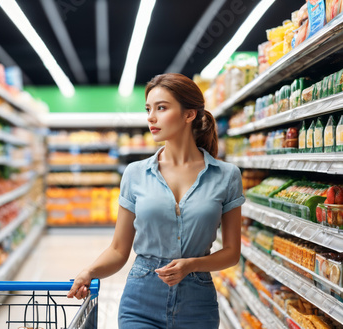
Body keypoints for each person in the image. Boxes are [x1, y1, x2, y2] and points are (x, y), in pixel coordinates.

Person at [67, 73, 245, 329]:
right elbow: (118, 250)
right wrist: (89, 271)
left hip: (197, 305)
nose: (151, 117)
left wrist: (191, 265)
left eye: (161, 108)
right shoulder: (135, 174)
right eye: (148, 109)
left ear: (189, 114)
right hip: (140, 302)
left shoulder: (226, 176)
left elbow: (231, 253)